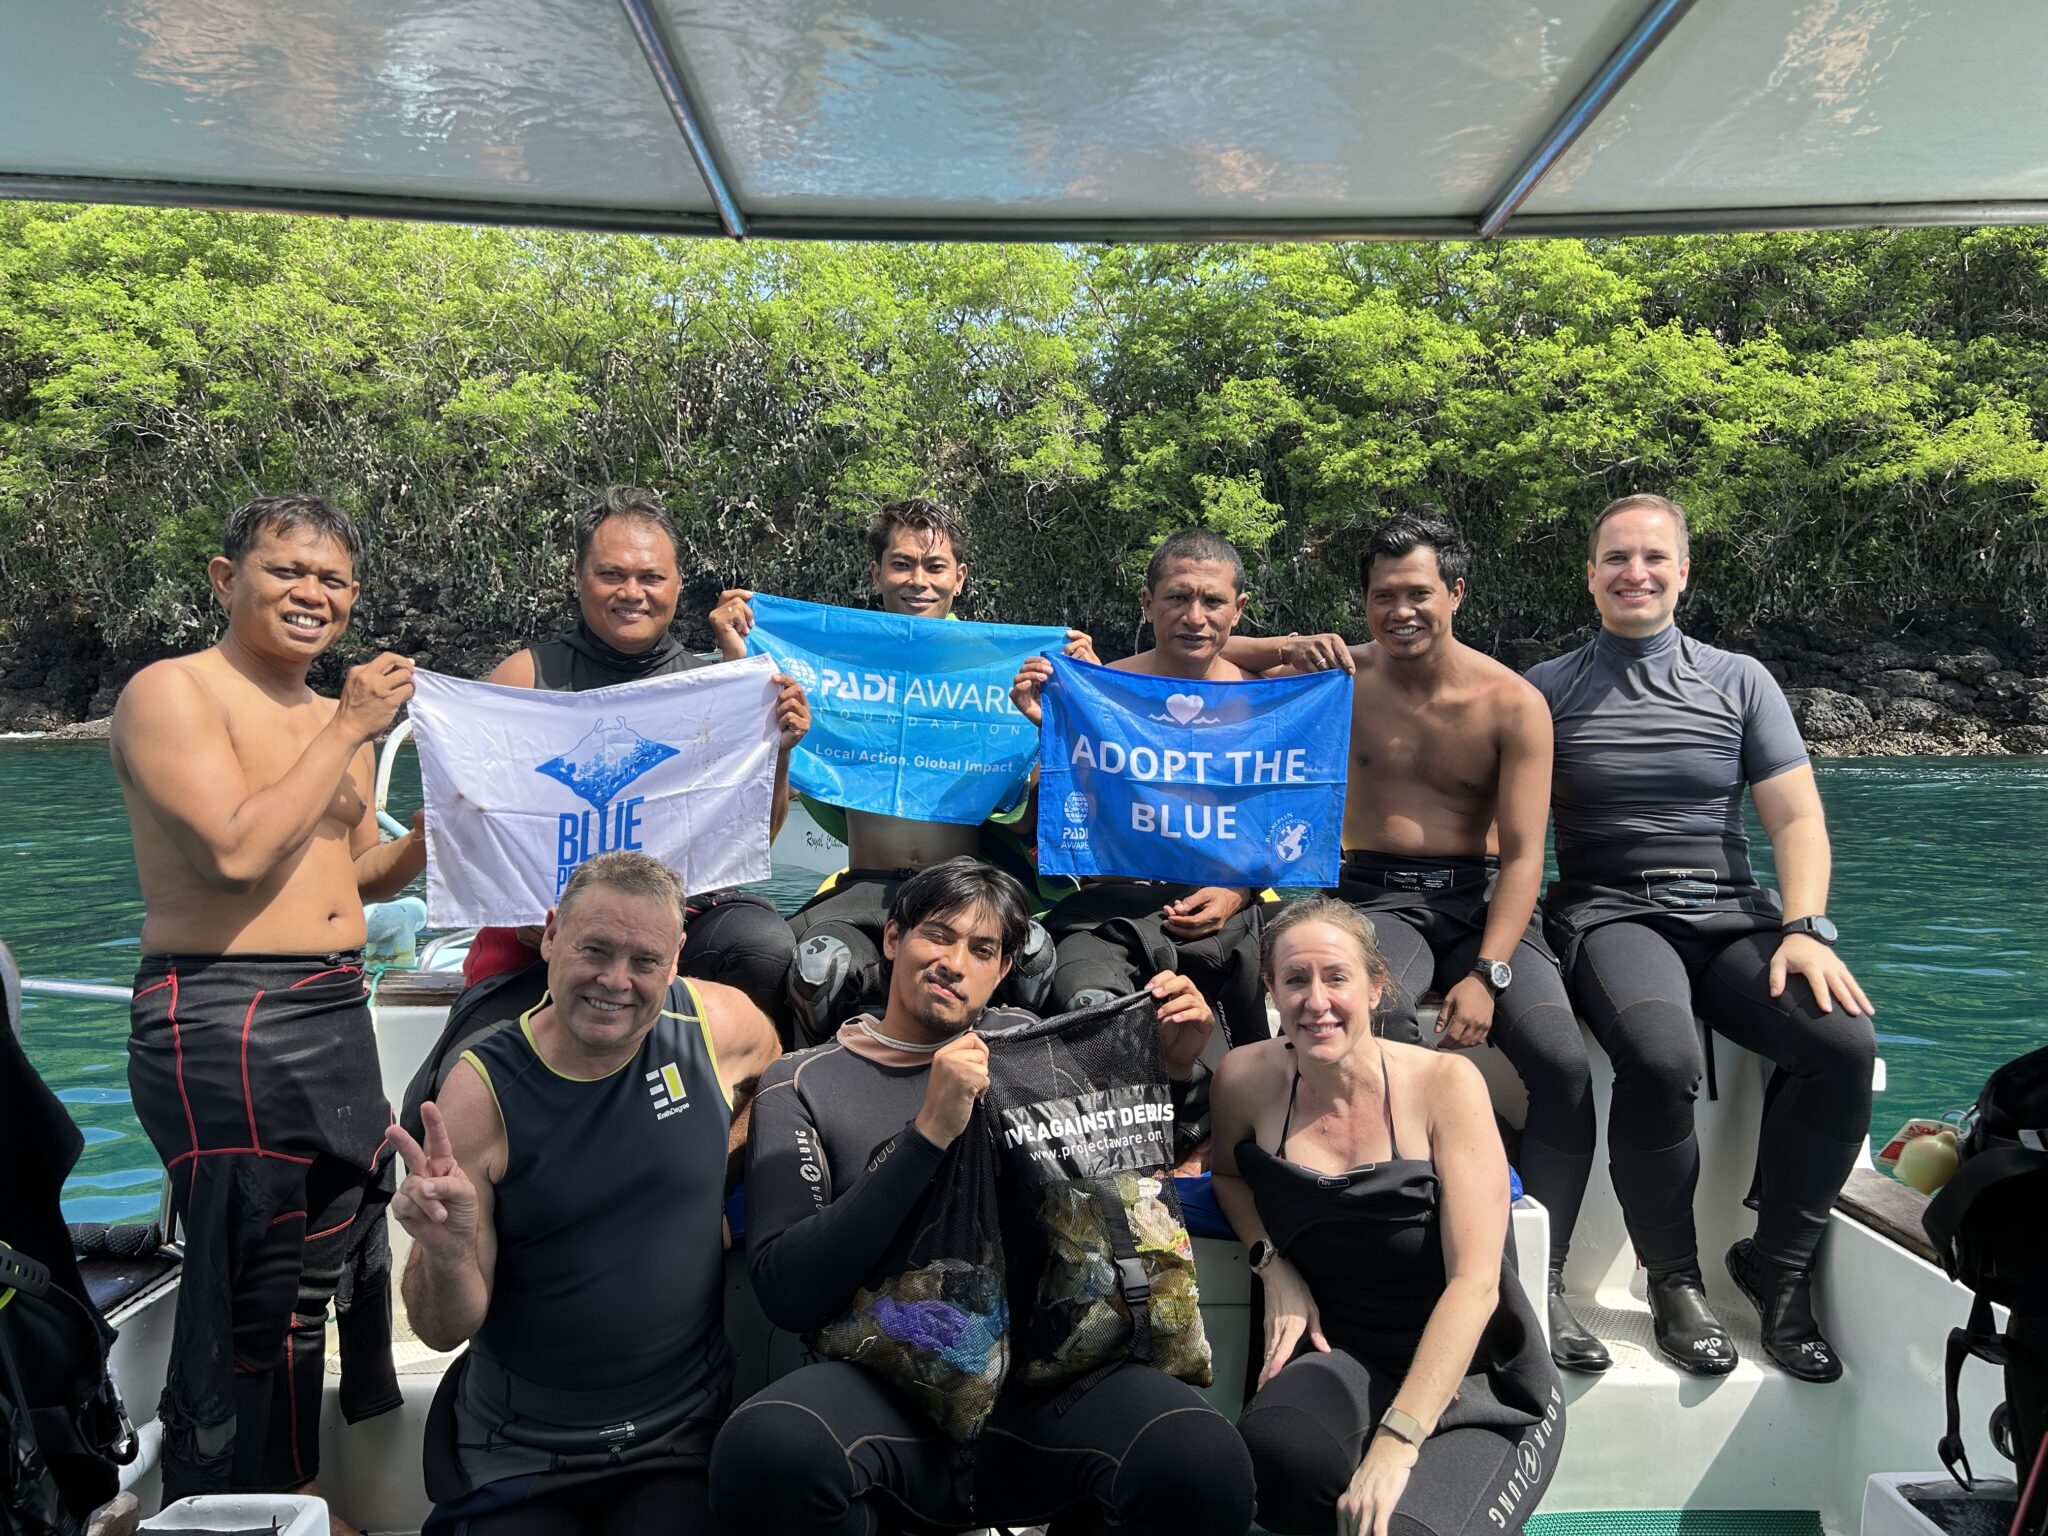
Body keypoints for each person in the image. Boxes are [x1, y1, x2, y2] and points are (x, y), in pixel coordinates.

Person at [711, 857, 1257, 1536]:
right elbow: (787, 1289)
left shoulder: (1034, 1050)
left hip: (1045, 1395)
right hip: (891, 1391)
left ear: (1003, 971)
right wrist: (927, 1136)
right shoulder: (803, 1081)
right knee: (771, 1448)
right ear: (892, 938)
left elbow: (1114, 1199)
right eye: (937, 935)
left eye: (982, 949)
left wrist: (1170, 1069)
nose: (954, 962)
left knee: (1199, 1459)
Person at [112, 493, 424, 1524]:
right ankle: (219, 1505)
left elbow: (353, 877)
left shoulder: (324, 718)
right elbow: (237, 854)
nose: (312, 595)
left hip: (332, 1011)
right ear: (223, 577)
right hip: (227, 1018)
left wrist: (423, 841)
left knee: (302, 1298)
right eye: (288, 571)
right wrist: (350, 725)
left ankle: (289, 1501)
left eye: (332, 580)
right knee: (245, 1300)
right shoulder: (174, 694)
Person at [1239, 514, 1606, 1374]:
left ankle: (1541, 1280)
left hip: (1482, 905)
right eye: (1382, 596)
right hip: (1373, 899)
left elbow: (1524, 855)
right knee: (1389, 1039)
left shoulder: (1511, 700)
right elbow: (1216, 655)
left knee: (1560, 1064)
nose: (1400, 611)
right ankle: (1408, 1265)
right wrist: (1298, 641)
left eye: (1418, 593)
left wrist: (1488, 971)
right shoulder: (1339, 678)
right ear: (1362, 603)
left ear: (1456, 594)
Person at [1527, 492, 1877, 1382]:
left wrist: (1806, 929)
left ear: (1683, 572)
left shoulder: (1739, 679)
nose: (1633, 573)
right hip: (1610, 910)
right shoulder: (1547, 688)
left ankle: (1777, 1270)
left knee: (1840, 1042)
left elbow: (1796, 818)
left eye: (1652, 558)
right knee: (1657, 1052)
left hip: (1732, 912)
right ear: (1591, 576)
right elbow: (1502, 822)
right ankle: (1673, 1281)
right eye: (1615, 558)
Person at [388, 850, 781, 1535]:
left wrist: (727, 1186)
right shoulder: (482, 1093)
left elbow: (771, 1066)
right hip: (520, 1454)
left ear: (678, 956)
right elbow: (439, 1328)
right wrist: (447, 1254)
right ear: (549, 935)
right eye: (594, 949)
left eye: (644, 960)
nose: (615, 981)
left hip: (677, 1441)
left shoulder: (716, 1027)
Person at [1214, 898, 1563, 1536]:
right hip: (1347, 1356)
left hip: (1480, 1379)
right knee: (1274, 1456)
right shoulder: (1245, 1080)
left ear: (1377, 987)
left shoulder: (1445, 1086)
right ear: (1271, 990)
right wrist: (1274, 1264)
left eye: (1337, 977)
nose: (1316, 1001)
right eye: (1295, 979)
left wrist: (1397, 1442)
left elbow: (1476, 1283)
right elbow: (1231, 1176)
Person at [708, 497, 1093, 1041]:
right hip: (866, 882)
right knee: (818, 972)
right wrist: (737, 651)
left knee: (1031, 963)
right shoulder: (831, 661)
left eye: (935, 567)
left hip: (961, 885)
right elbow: (755, 736)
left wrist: (1079, 701)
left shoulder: (996, 665)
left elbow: (1041, 813)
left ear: (959, 578)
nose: (919, 581)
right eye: (902, 563)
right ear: (876, 573)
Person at [460, 486, 808, 1029]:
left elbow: (752, 839)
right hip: (541, 929)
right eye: (611, 575)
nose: (632, 592)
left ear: (677, 585)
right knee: (461, 1069)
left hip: (672, 923)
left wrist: (778, 752)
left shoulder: (710, 686)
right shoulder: (524, 679)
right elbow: (473, 831)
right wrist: (529, 916)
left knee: (763, 947)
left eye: (651, 577)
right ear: (579, 576)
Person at [1011, 527, 1269, 1046]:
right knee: (1089, 1004)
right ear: (1148, 603)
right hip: (1112, 908)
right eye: (1177, 597)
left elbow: (1284, 819)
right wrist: (1055, 737)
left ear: (1237, 610)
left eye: (1212, 601)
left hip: (1228, 909)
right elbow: (1052, 829)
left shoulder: (1267, 699)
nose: (1194, 616)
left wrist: (1236, 890)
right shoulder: (1097, 692)